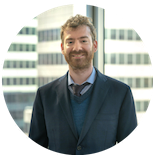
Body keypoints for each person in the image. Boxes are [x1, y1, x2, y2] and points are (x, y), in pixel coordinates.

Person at [29, 14, 137, 155]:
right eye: (70, 42)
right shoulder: (44, 95)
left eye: (83, 40)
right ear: (62, 48)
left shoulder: (121, 93)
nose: (77, 48)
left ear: (95, 45)